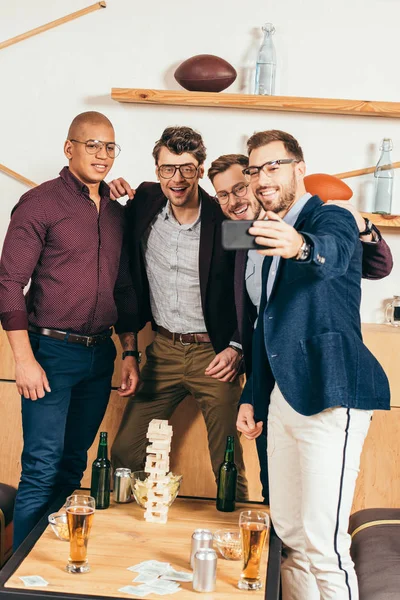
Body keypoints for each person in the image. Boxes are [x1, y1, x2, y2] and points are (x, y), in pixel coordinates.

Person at [234, 130, 390, 600]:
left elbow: (334, 256)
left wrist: (300, 245)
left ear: (299, 168)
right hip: (283, 397)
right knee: (290, 537)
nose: (263, 179)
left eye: (274, 166)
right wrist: (252, 396)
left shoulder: (332, 216)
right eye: (255, 169)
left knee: (325, 544)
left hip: (332, 394)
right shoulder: (260, 234)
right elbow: (267, 325)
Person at [207, 153, 393, 504]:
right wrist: (251, 394)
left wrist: (362, 227)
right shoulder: (241, 238)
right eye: (223, 195)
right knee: (276, 496)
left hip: (319, 384)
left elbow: (375, 264)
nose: (235, 201)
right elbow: (259, 320)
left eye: (241, 188)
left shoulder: (312, 223)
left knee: (314, 503)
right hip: (270, 382)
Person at [0, 112, 140, 549]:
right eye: (93, 144)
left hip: (101, 357)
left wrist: (129, 351)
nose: (102, 155)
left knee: (71, 466)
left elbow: (122, 286)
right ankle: (20, 581)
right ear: (69, 148)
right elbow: (8, 282)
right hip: (49, 354)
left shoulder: (117, 215)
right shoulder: (40, 203)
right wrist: (23, 360)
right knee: (41, 468)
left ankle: (49, 562)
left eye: (110, 147)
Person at [108, 126, 249, 500]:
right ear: (157, 171)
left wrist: (237, 346)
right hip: (163, 350)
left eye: (187, 168)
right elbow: (123, 274)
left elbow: (249, 288)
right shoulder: (144, 204)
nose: (177, 178)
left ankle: (236, 537)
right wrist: (107, 193)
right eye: (168, 168)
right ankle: (128, 537)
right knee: (124, 455)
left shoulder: (225, 222)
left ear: (200, 170)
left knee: (227, 462)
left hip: (214, 355)